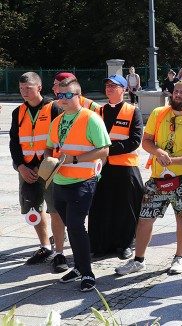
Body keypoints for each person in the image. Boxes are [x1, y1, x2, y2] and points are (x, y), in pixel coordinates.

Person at [115, 80, 182, 276]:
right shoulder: (158, 113)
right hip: (157, 178)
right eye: (175, 91)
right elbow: (146, 141)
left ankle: (179, 258)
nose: (177, 95)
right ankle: (138, 260)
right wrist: (158, 152)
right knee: (145, 218)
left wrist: (173, 160)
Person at [45, 78, 111, 292]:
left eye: (67, 95)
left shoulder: (91, 119)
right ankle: (79, 268)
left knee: (75, 226)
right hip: (59, 182)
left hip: (82, 182)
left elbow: (104, 151)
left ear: (78, 96)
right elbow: (49, 147)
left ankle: (88, 273)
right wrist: (47, 163)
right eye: (59, 95)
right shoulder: (57, 121)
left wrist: (75, 159)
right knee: (71, 228)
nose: (61, 100)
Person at [10, 72, 67, 271]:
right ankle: (45, 246)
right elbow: (14, 143)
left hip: (50, 168)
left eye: (29, 88)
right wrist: (20, 166)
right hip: (26, 169)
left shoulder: (55, 108)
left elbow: (61, 136)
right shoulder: (17, 112)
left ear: (39, 88)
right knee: (33, 208)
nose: (24, 92)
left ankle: (60, 252)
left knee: (55, 208)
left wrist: (45, 163)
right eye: (21, 89)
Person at [88, 75, 144, 260]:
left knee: (125, 209)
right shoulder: (98, 112)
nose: (109, 88)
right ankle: (100, 244)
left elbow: (134, 141)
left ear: (124, 89)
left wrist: (106, 151)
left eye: (114, 86)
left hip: (125, 167)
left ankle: (125, 244)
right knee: (101, 207)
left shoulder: (132, 111)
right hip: (102, 168)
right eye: (107, 86)